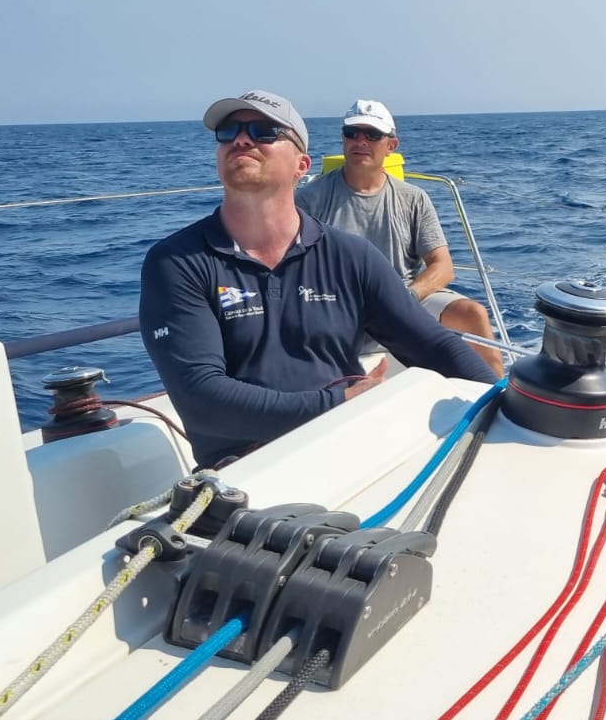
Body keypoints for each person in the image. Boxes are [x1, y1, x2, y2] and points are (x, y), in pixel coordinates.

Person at [140, 90, 497, 467]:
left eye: (264, 130)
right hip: (246, 467)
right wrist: (337, 403)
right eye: (228, 132)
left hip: (350, 444)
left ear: (301, 165)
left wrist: (504, 401)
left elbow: (435, 346)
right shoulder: (177, 262)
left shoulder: (350, 256)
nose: (241, 139)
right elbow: (202, 400)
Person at [296, 99, 505, 378]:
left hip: (405, 297)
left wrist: (405, 298)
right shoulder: (309, 199)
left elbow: (442, 266)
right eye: (352, 133)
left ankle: (495, 402)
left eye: (372, 135)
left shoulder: (413, 198)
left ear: (391, 145)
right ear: (343, 140)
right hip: (337, 301)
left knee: (473, 314)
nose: (360, 141)